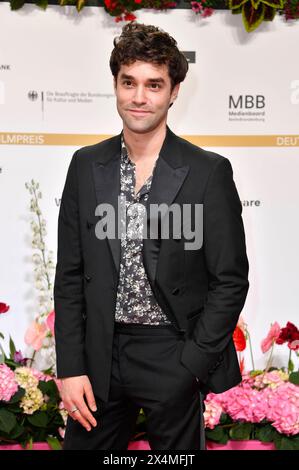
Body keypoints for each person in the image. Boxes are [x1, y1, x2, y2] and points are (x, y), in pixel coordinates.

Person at [54, 22, 249, 451]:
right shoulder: (85, 166)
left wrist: (192, 365)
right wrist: (69, 367)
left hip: (171, 353)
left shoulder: (207, 172)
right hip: (99, 355)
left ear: (174, 91)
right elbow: (70, 274)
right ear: (116, 84)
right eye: (129, 82)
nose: (139, 97)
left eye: (154, 85)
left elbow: (230, 280)